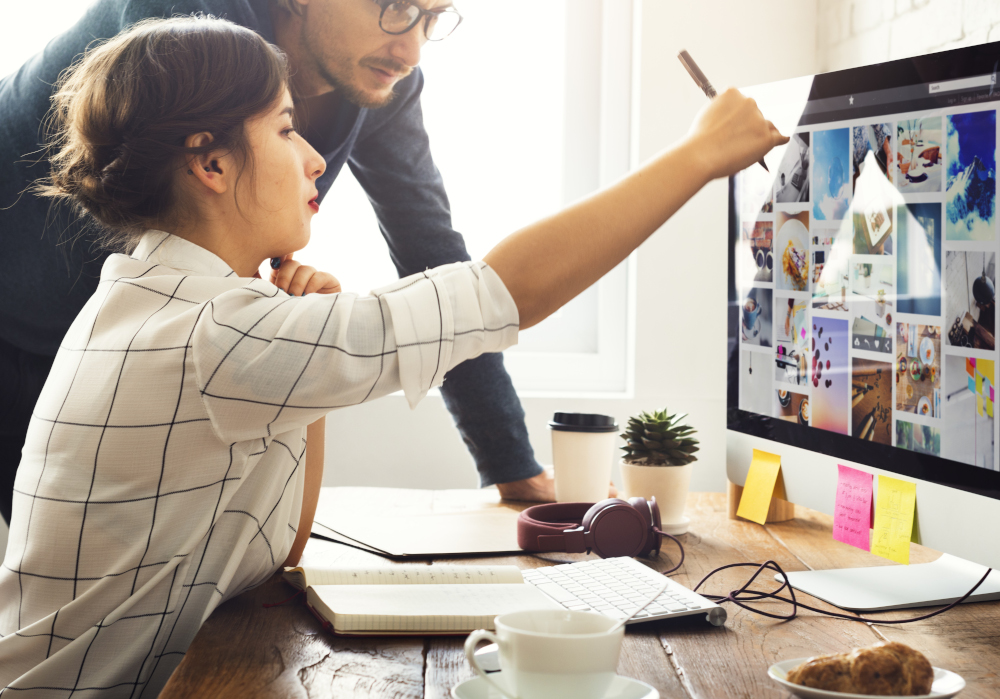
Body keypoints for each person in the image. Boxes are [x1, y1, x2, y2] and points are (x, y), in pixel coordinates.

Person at [0, 16, 783, 696]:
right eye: (283, 128)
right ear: (210, 164)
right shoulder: (213, 333)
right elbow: (501, 292)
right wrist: (696, 157)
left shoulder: (159, 296)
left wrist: (301, 340)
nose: (313, 159)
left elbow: (281, 547)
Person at [0, 0, 560, 527]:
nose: (411, 51)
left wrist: (513, 466)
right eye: (395, 8)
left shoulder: (379, 78)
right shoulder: (194, 39)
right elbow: (171, 237)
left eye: (431, 17)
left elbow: (431, 248)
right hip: (37, 313)